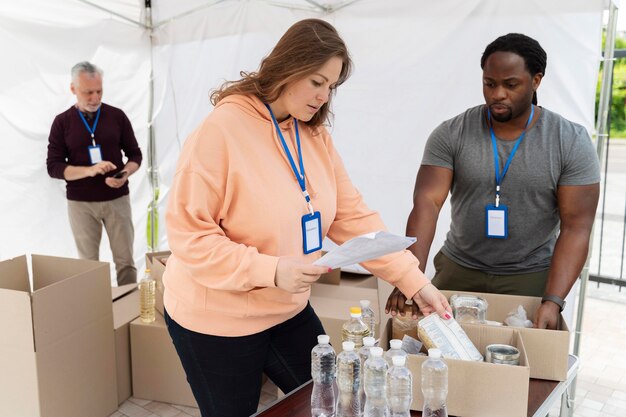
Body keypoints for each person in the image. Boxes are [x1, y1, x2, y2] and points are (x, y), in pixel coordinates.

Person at [162, 18, 451, 417]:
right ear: (287, 67)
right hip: (216, 321)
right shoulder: (221, 132)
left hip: (287, 308)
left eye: (331, 86)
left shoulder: (312, 134)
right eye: (316, 81)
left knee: (337, 404)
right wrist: (273, 270)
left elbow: (352, 216)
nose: (323, 96)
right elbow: (190, 238)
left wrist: (414, 280)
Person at [385, 33, 600, 330]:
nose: (498, 93)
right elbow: (427, 203)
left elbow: (577, 227)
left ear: (536, 80)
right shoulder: (451, 133)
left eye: (510, 85)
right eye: (490, 83)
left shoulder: (570, 141)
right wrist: (411, 277)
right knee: (438, 355)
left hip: (530, 275)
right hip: (459, 267)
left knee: (522, 367)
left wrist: (553, 300)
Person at [46, 61, 142, 286]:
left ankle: (128, 313)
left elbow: (135, 156)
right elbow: (54, 167)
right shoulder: (62, 123)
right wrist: (90, 170)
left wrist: (125, 174)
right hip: (81, 205)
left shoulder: (117, 116)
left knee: (125, 261)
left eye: (99, 91)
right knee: (88, 266)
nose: (95, 98)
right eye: (88, 92)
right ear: (73, 89)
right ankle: (94, 315)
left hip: (117, 199)